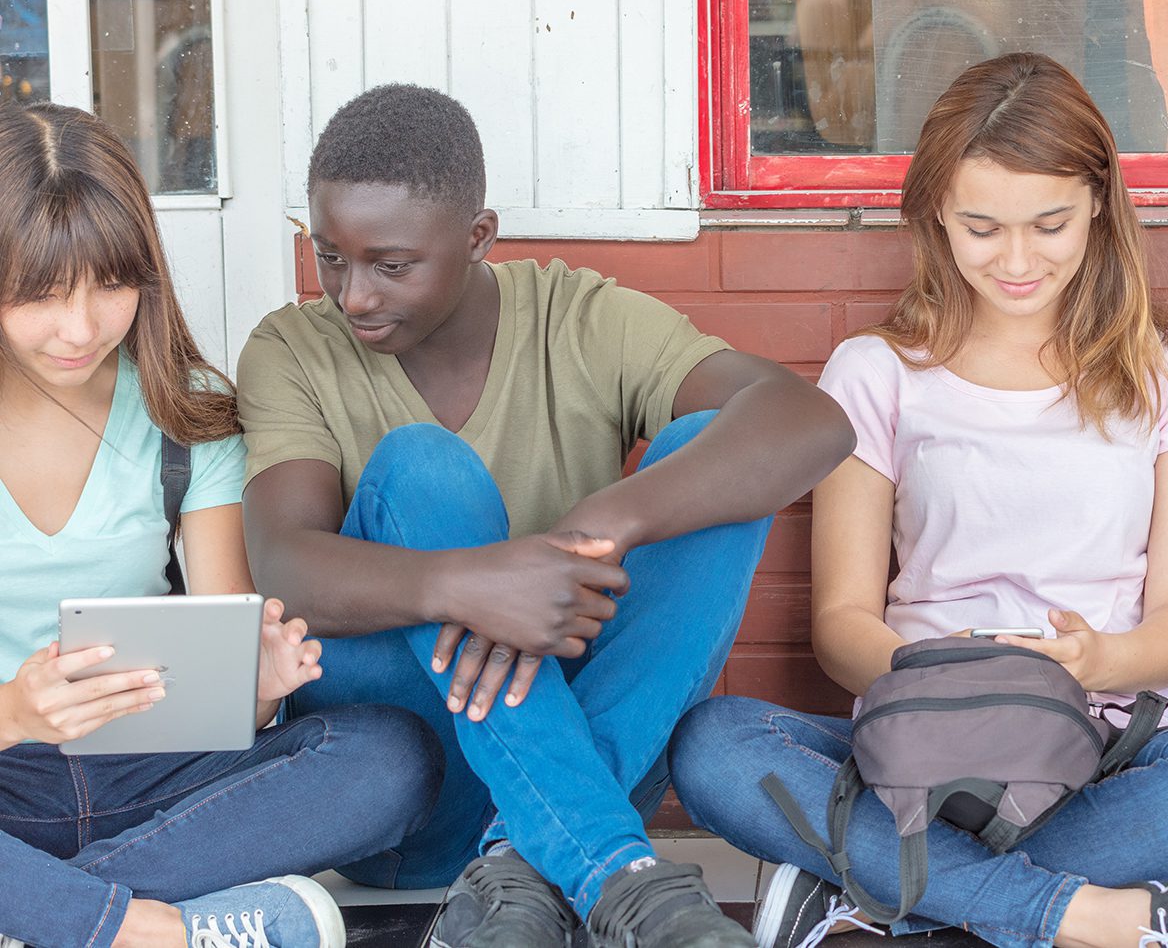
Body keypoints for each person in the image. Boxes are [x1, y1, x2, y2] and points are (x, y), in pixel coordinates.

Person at [669, 53, 1168, 948]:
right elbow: (840, 624)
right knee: (713, 743)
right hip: (917, 750)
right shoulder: (875, 372)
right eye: (983, 227)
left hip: (1106, 744)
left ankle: (876, 887)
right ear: (936, 215)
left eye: (1050, 225)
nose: (1018, 260)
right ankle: (1079, 912)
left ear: (1098, 204)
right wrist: (934, 672)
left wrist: (1094, 660)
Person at [235, 85, 856, 948]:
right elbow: (284, 564)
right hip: (416, 794)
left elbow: (810, 420)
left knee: (711, 454)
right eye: (330, 257)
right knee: (421, 468)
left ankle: (526, 863)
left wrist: (605, 522)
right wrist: (469, 584)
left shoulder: (579, 318)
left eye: (392, 264)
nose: (354, 296)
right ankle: (611, 869)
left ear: (478, 236)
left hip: (585, 760)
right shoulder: (292, 347)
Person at [0, 103, 441, 948]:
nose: (80, 328)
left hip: (153, 773)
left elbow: (221, 664)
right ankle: (154, 928)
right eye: (42, 293)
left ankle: (50, 914)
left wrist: (260, 684)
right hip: (7, 773)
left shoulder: (186, 408)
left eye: (110, 284)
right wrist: (17, 710)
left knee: (392, 756)